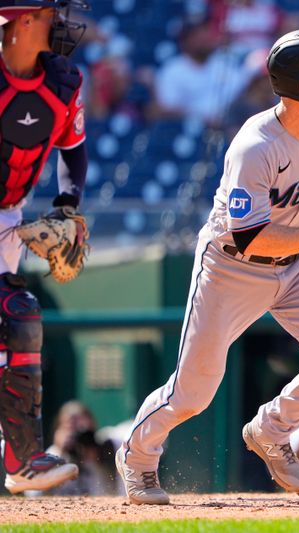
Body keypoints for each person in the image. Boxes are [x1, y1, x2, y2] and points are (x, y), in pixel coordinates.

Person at [116, 28, 299, 505]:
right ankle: (137, 459)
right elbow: (250, 235)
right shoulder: (255, 145)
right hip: (233, 267)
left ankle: (271, 428)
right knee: (193, 392)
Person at [0, 0, 91, 495]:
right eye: (51, 13)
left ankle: (19, 461)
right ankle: (20, 461)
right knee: (16, 316)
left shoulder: (62, 81)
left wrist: (65, 209)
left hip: (7, 218)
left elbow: (73, 150)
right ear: (24, 20)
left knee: (16, 322)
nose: (61, 22)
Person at [152, 17, 255, 126]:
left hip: (227, 125)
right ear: (185, 41)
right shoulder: (173, 70)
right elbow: (165, 109)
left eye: (206, 31)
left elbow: (241, 90)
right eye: (197, 34)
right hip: (189, 127)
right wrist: (201, 117)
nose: (205, 37)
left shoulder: (222, 63)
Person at [46, 401, 116, 496]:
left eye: (82, 428)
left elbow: (114, 488)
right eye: (71, 428)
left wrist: (98, 457)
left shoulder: (101, 448)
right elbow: (33, 494)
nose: (77, 435)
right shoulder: (54, 453)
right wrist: (60, 451)